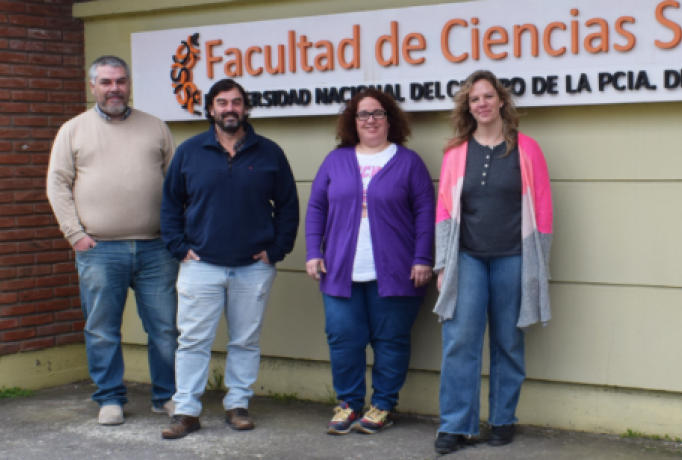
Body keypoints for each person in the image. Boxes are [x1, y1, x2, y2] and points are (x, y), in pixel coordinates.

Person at [159, 78, 300, 439]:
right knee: (192, 341)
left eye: (236, 102)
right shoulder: (189, 152)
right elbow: (170, 205)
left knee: (245, 341)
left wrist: (277, 250)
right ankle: (187, 411)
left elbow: (287, 206)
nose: (230, 109)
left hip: (254, 267)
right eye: (222, 103)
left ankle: (238, 405)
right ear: (211, 109)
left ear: (246, 108)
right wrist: (178, 247)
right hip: (200, 265)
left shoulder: (269, 153)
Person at [47, 55, 180, 426]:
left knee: (165, 329)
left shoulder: (156, 128)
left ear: (129, 83)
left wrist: (176, 237)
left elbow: (177, 185)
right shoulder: (73, 130)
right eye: (106, 82)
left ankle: (166, 396)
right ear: (93, 86)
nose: (114, 89)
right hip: (100, 249)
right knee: (103, 329)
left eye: (120, 81)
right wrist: (75, 235)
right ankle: (109, 398)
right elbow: (57, 185)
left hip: (156, 248)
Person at [432, 70, 553, 454]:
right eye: (473, 99)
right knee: (459, 342)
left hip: (513, 259)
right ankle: (455, 425)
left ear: (501, 100)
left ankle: (503, 419)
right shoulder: (456, 152)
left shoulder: (527, 149)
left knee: (508, 342)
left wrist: (539, 265)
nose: (481, 104)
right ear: (468, 108)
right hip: (466, 258)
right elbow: (445, 211)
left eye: (487, 96)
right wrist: (441, 264)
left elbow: (544, 210)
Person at [305, 88, 436, 435]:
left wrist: (423, 257)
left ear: (390, 119)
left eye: (378, 113)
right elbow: (317, 206)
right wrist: (313, 252)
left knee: (391, 340)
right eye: (363, 114)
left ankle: (382, 406)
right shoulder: (336, 160)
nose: (371, 120)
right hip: (340, 270)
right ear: (353, 121)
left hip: (396, 270)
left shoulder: (408, 162)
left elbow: (425, 213)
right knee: (342, 337)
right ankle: (347, 404)